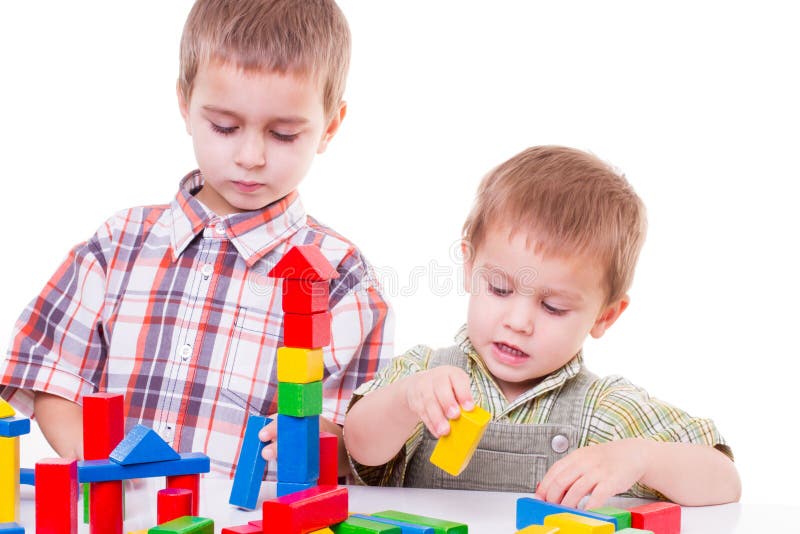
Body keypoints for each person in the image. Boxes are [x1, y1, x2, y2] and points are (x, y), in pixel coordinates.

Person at [0, 0, 393, 478]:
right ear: (185, 104)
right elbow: (49, 373)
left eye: (284, 134)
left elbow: (354, 445)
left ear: (329, 126)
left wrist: (310, 440)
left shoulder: (341, 278)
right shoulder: (119, 244)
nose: (250, 156)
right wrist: (103, 474)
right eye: (224, 127)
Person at [344, 145, 740, 507]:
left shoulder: (603, 409)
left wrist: (641, 458)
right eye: (499, 289)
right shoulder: (424, 375)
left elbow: (725, 482)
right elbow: (358, 446)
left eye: (552, 307)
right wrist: (407, 399)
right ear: (469, 267)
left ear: (604, 316)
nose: (518, 323)